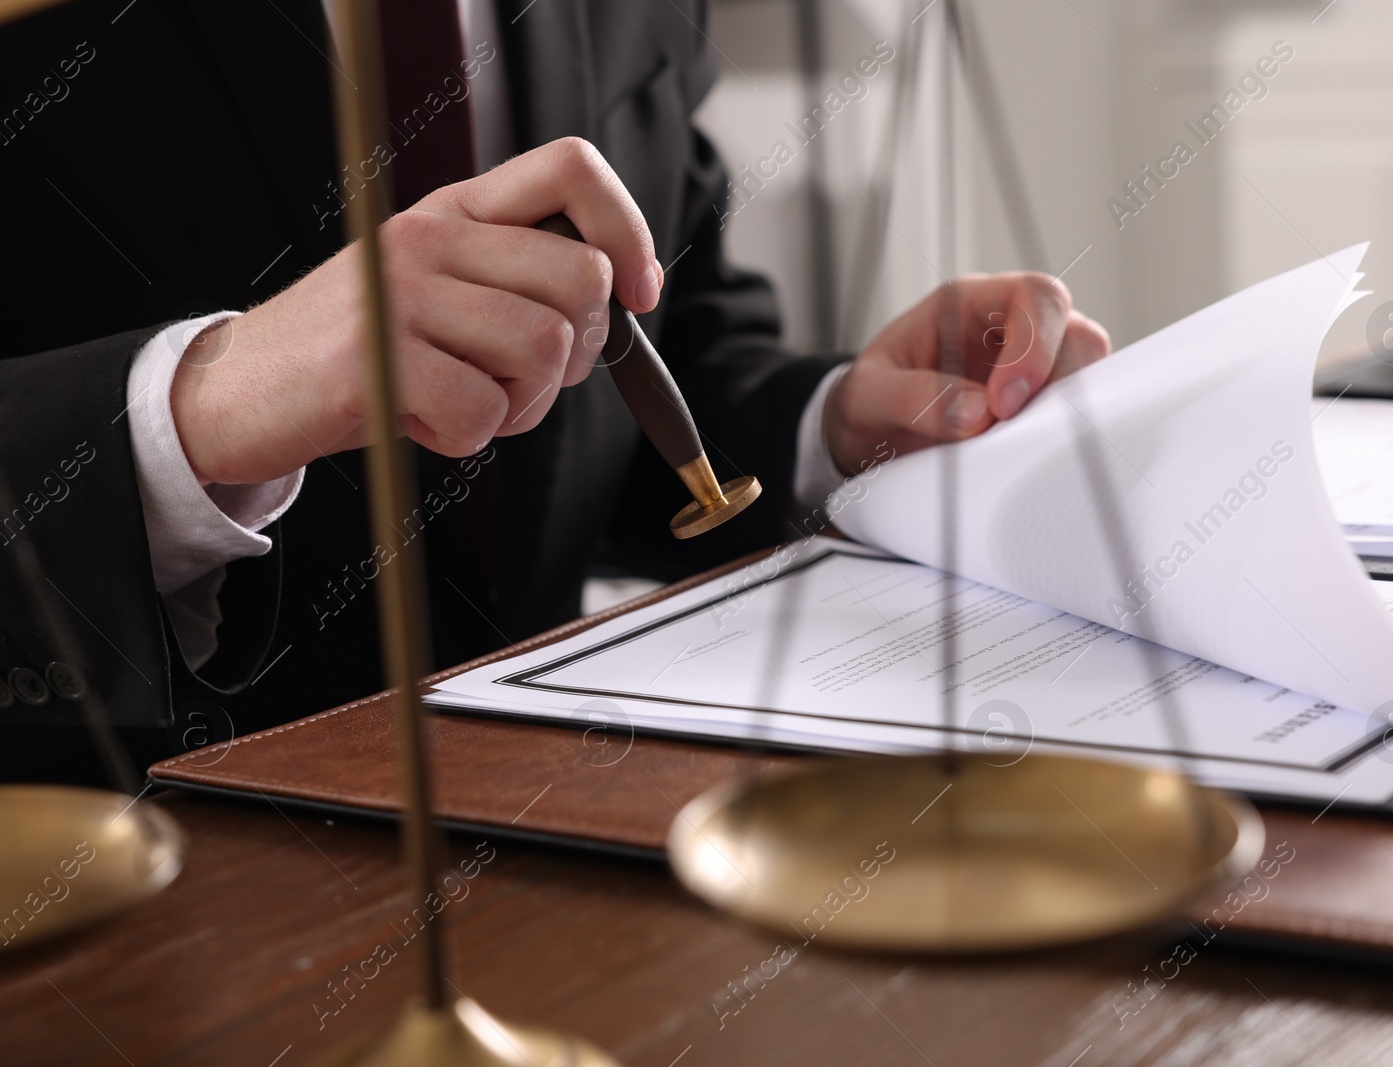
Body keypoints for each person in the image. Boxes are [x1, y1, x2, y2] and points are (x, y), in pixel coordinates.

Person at [0, 0, 1108, 784]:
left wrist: (837, 426)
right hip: (123, 879)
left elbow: (648, 336)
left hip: (553, 836)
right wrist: (192, 408)